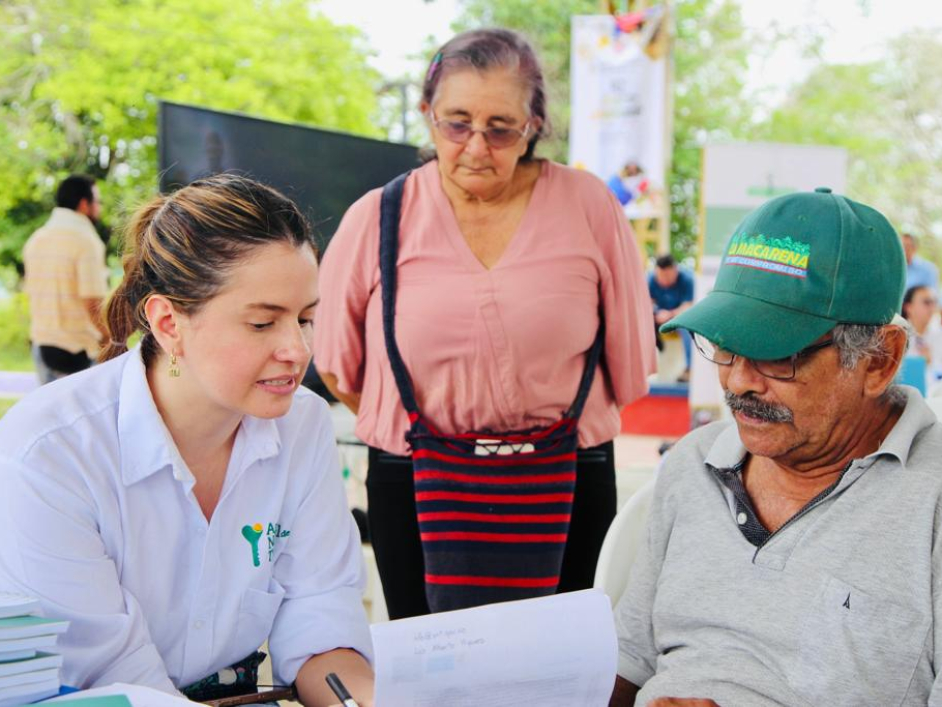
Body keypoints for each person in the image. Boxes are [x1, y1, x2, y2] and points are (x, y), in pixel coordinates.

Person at [313, 28, 656, 620]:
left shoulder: (589, 206)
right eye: (457, 123)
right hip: (416, 481)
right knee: (436, 667)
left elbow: (630, 366)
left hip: (567, 475)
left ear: (534, 125)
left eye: (502, 128)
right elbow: (337, 365)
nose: (477, 146)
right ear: (427, 116)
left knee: (560, 668)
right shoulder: (377, 217)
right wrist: (442, 428)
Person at [0, 176, 374, 706]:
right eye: (263, 322)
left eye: (307, 318)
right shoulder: (49, 449)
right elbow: (110, 672)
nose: (297, 349)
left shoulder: (302, 423)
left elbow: (321, 611)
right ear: (169, 322)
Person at [610, 187, 942, 707]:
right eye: (725, 345)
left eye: (776, 354)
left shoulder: (932, 501)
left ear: (878, 360)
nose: (738, 381)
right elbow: (627, 664)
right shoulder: (693, 463)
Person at [23, 174, 110, 383]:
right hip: (79, 352)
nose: (99, 208)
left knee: (50, 415)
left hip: (42, 346)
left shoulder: (36, 239)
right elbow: (92, 303)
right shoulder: (86, 242)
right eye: (97, 202)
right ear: (83, 204)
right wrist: (112, 340)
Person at [647, 254, 694, 382]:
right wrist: (656, 313)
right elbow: (646, 303)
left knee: (688, 329)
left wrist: (670, 314)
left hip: (679, 319)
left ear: (675, 270)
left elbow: (688, 305)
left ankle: (689, 369)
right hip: (657, 317)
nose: (664, 280)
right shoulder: (650, 279)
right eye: (661, 276)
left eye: (667, 276)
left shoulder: (687, 279)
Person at [901, 284, 942, 391]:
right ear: (908, 307)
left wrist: (931, 362)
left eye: (934, 302)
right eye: (926, 302)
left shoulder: (939, 335)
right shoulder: (897, 336)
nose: (932, 307)